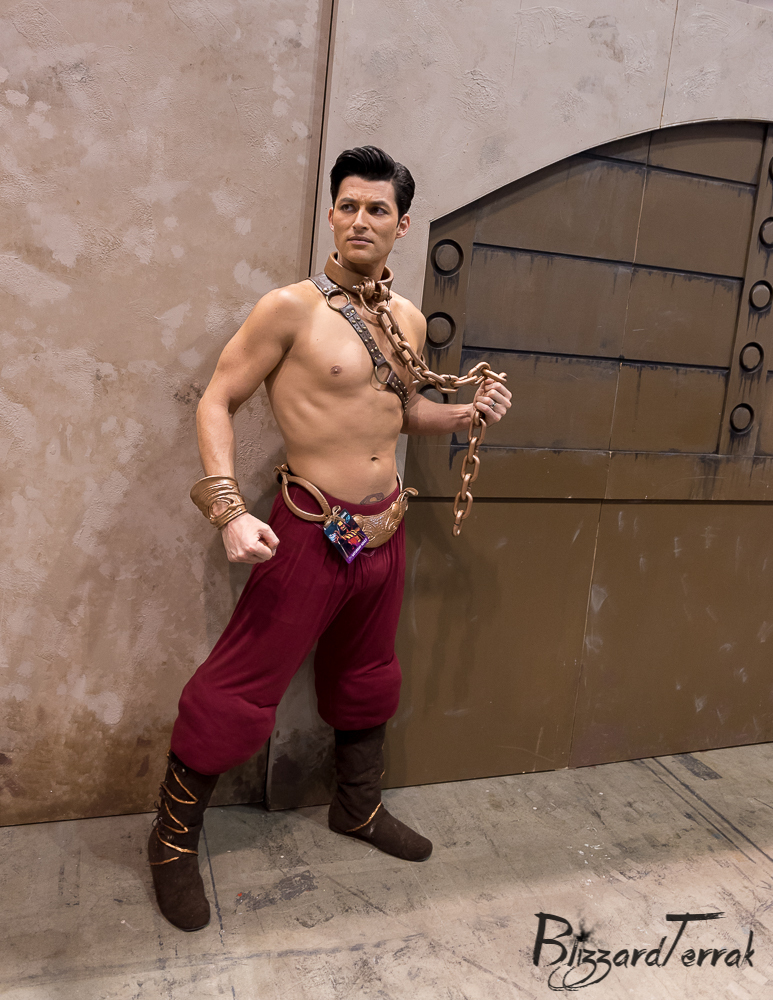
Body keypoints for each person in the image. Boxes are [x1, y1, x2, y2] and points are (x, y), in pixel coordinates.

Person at [148, 146, 512, 931]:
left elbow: (398, 412)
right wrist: (227, 509)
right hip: (309, 532)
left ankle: (357, 806)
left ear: (401, 225)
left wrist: (463, 412)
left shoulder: (406, 319)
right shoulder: (289, 309)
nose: (359, 220)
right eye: (348, 205)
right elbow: (217, 400)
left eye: (377, 209)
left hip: (385, 531)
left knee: (368, 676)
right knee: (238, 691)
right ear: (331, 214)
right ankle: (171, 841)